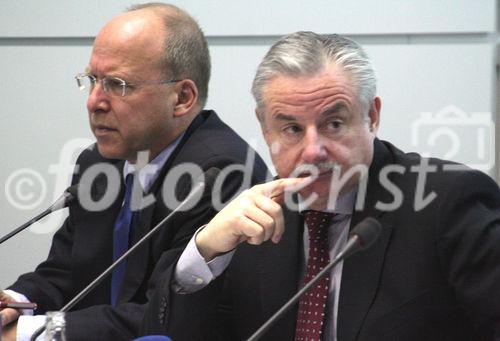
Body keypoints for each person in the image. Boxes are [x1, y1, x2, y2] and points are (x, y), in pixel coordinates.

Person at [142, 31, 500, 340]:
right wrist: (205, 251)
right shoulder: (254, 222)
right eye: (293, 129)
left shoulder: (449, 204)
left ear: (371, 116)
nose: (313, 151)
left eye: (333, 124)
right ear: (266, 128)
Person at [0, 3, 269, 340]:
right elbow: (64, 271)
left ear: (182, 97)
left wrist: (33, 333)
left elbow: (165, 313)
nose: (94, 101)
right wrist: (16, 302)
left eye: (118, 84)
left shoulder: (222, 173)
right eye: (93, 80)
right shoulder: (98, 163)